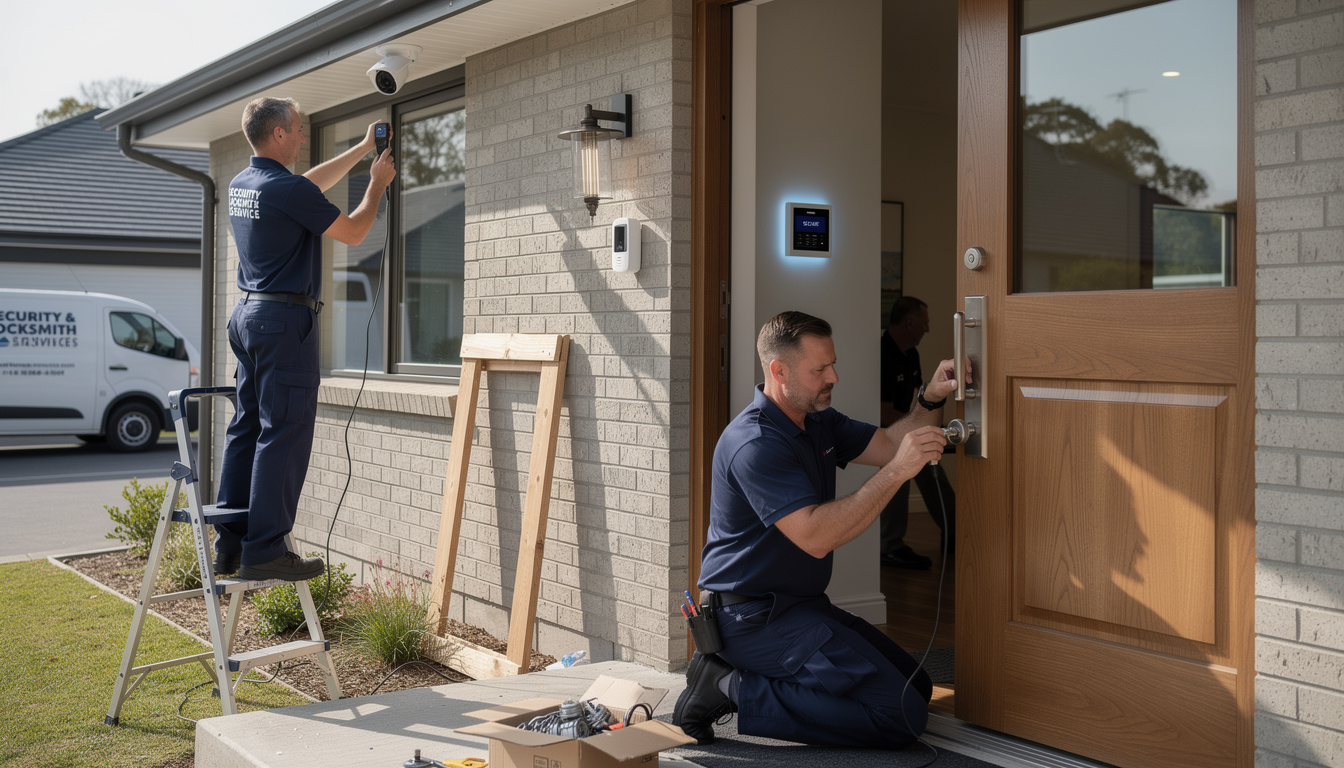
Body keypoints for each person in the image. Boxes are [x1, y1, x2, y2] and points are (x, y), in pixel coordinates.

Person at [673, 310, 960, 748]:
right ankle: (727, 685)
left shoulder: (818, 421)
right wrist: (898, 473)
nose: (834, 377)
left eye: (833, 363)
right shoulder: (755, 443)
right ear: (778, 370)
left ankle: (756, 683)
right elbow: (815, 536)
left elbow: (890, 444)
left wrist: (931, 398)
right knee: (900, 715)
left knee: (915, 688)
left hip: (801, 606)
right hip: (750, 618)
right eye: (820, 369)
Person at [212, 97, 396, 582]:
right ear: (277, 135)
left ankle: (229, 545)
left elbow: (308, 185)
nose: (300, 137)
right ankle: (266, 549)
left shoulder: (243, 183)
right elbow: (355, 233)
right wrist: (376, 185)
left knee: (248, 426)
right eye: (296, 131)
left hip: (248, 317)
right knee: (284, 432)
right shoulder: (286, 191)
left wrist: (360, 150)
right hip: (282, 324)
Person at [879, 296, 956, 570]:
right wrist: (915, 428)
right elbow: (881, 410)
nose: (928, 329)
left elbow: (916, 399)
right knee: (897, 476)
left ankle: (956, 531)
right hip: (885, 434)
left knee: (933, 471)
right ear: (910, 322)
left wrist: (925, 426)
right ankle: (890, 546)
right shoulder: (883, 353)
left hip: (905, 428)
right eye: (925, 323)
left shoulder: (911, 354)